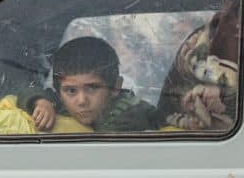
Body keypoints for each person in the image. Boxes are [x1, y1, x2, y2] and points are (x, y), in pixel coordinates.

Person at [25, 36, 165, 132]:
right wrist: (41, 102)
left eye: (92, 88)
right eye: (71, 91)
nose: (82, 101)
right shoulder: (61, 103)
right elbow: (28, 92)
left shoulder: (135, 112)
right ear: (59, 93)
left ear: (116, 87)